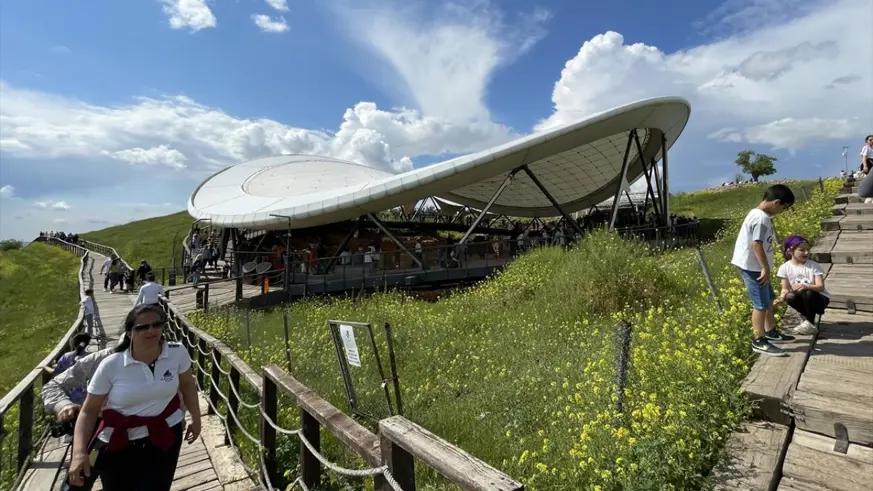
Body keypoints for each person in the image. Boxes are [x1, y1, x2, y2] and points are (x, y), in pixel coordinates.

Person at [68, 304, 201, 491]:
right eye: (142, 327)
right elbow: (89, 410)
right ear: (129, 333)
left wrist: (196, 418)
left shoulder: (176, 352)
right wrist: (79, 453)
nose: (151, 330)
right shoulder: (111, 365)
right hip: (119, 441)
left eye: (156, 324)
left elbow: (187, 384)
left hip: (165, 434)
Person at [731, 184, 797, 357]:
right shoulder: (761, 219)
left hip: (755, 266)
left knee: (768, 300)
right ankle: (758, 340)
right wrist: (764, 267)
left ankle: (770, 331)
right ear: (776, 202)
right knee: (760, 304)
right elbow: (756, 244)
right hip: (753, 268)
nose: (784, 210)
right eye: (785, 207)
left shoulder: (757, 214)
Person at [776, 235, 829, 335]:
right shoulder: (785, 268)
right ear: (790, 251)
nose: (806, 253)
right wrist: (781, 297)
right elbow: (785, 289)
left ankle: (809, 323)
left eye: (808, 250)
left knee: (808, 293)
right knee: (790, 296)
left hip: (819, 299)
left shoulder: (813, 266)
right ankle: (808, 322)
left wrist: (806, 286)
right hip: (802, 299)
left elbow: (821, 287)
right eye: (802, 250)